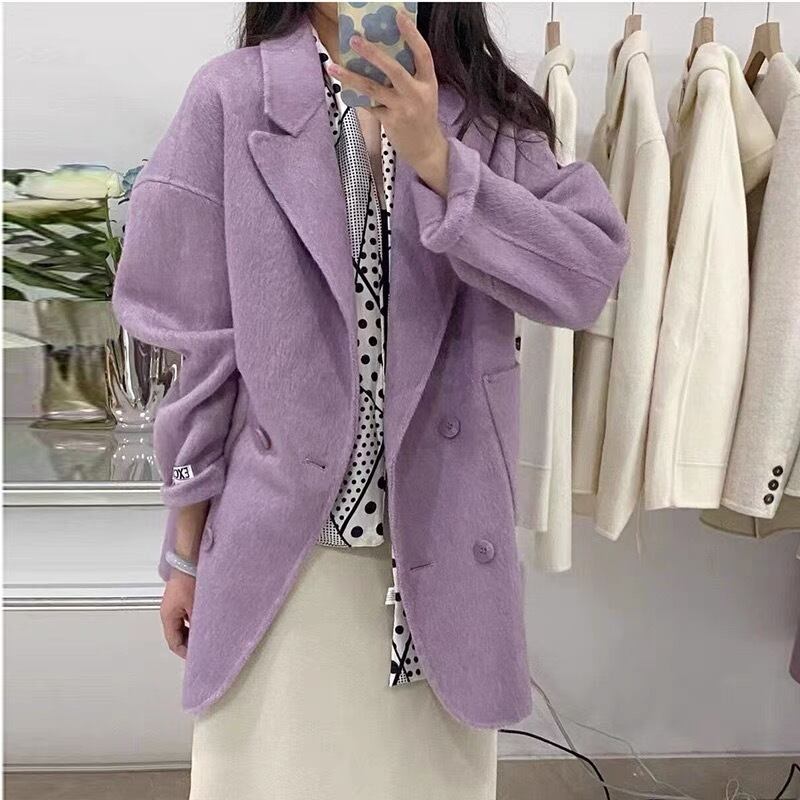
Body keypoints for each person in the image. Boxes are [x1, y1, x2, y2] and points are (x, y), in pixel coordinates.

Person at [112, 2, 629, 797]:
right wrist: (184, 552)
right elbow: (202, 348)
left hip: (444, 553)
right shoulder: (230, 97)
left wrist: (438, 161)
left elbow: (586, 276)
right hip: (283, 562)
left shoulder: (485, 115)